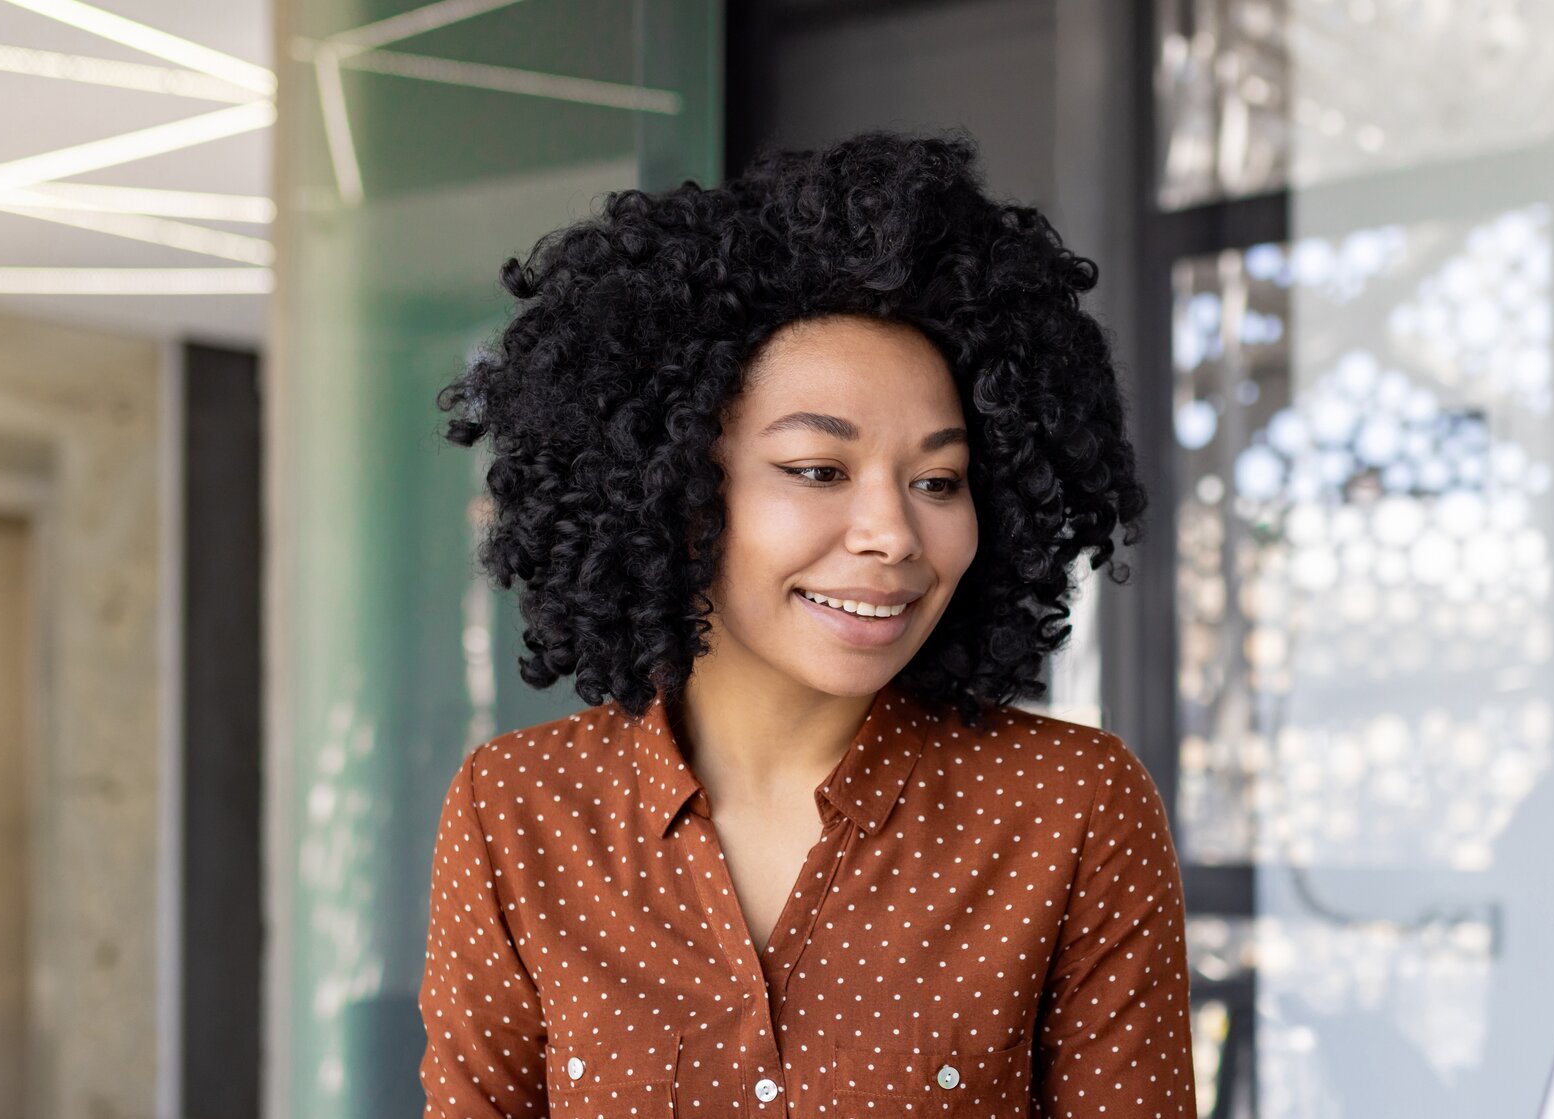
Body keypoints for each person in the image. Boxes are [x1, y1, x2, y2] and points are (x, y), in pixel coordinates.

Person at [419, 129, 1192, 1118]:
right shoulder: (519, 812)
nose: (892, 533)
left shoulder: (1069, 810)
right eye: (819, 471)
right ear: (679, 489)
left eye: (939, 481)